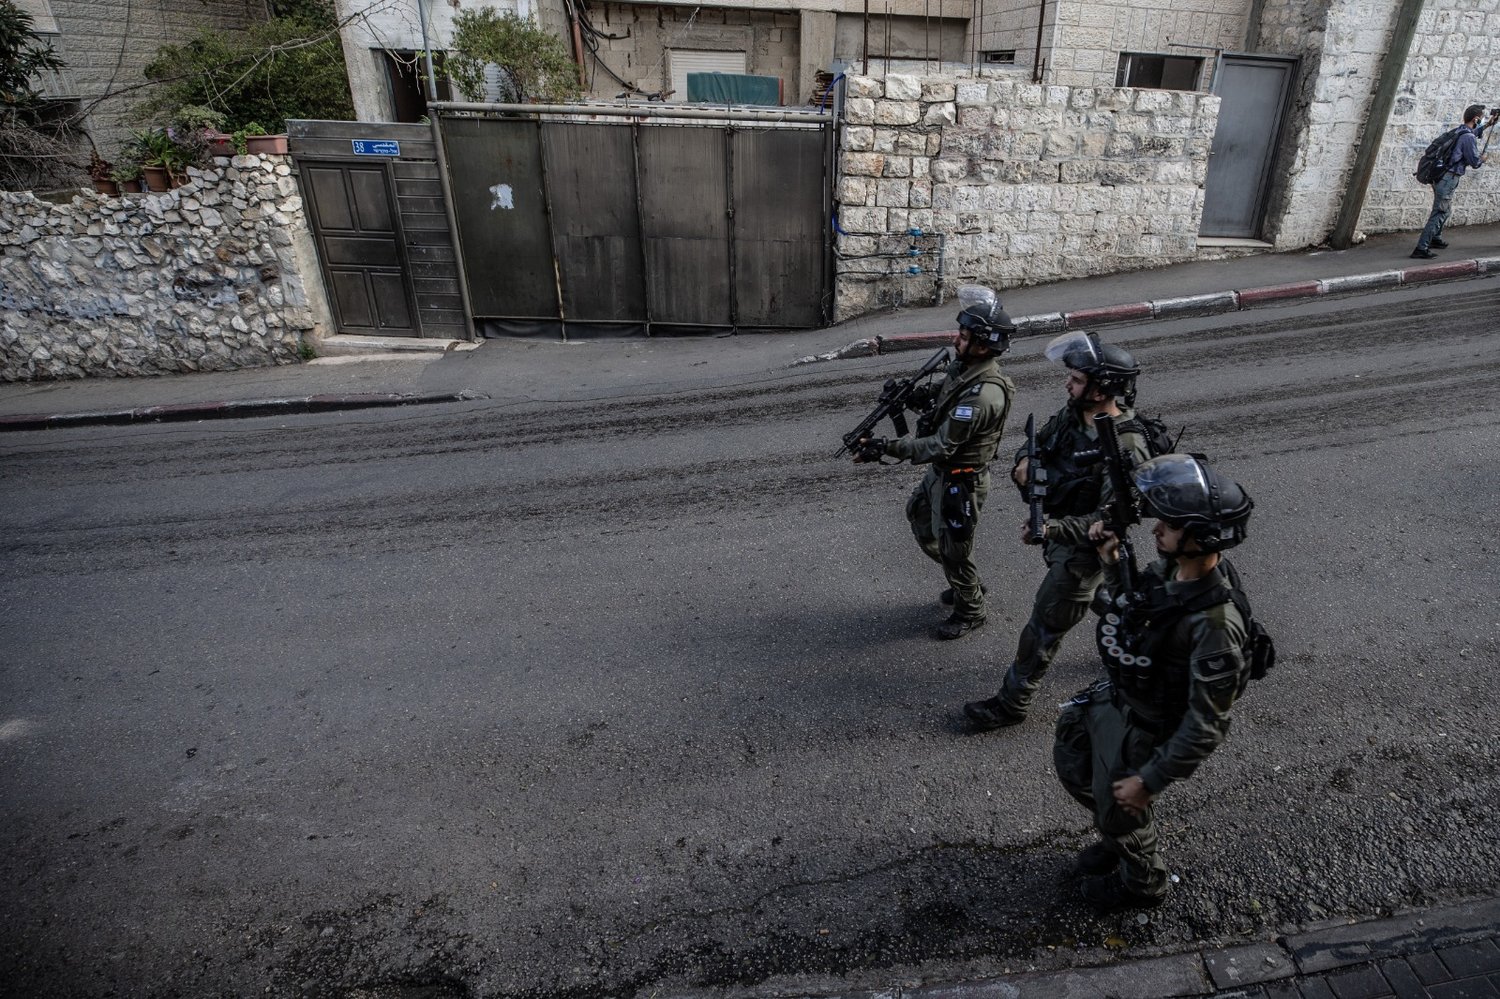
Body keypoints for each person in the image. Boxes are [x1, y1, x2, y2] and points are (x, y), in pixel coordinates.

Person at [1052, 454, 1254, 912]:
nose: (1157, 528)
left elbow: (1207, 724)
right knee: (1073, 759)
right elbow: (1137, 606)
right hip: (1119, 698)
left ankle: (1143, 883)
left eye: (1171, 524)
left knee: (1123, 808)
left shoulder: (1216, 624)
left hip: (1145, 730)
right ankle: (1117, 833)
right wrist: (1111, 561)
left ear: (1202, 537)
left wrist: (1149, 780)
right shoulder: (1171, 569)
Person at [963, 332, 1150, 730]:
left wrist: (1049, 529)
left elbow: (1109, 521)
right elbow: (1039, 443)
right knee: (1102, 600)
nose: (1068, 384)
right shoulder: (1075, 414)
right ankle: (1145, 644)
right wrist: (1024, 462)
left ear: (1102, 390)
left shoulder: (1125, 445)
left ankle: (1012, 704)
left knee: (1044, 628)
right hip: (1062, 536)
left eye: (1077, 379)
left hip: (1085, 551)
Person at [854, 285, 1015, 640]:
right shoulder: (965, 368)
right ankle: (965, 581)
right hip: (943, 474)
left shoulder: (984, 395)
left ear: (983, 345)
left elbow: (941, 445)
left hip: (962, 479)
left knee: (955, 550)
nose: (956, 340)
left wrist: (886, 447)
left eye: (964, 337)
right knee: (920, 517)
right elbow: (942, 392)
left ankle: (971, 610)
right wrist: (913, 394)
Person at [1412, 104, 1499, 259]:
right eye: (1482, 118)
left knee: (1446, 210)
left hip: (1441, 176)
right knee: (1440, 211)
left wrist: (1488, 124)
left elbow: (1473, 132)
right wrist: (1483, 159)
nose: (1483, 119)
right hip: (1449, 178)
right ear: (1476, 119)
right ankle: (1421, 248)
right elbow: (1474, 162)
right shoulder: (1468, 138)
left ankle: (1435, 238)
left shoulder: (1461, 130)